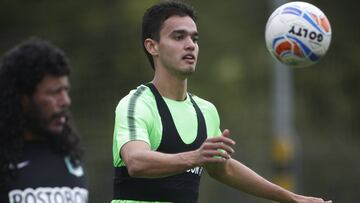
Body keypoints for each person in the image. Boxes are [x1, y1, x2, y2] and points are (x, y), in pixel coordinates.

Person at [111, 1, 332, 203]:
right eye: (179, 37)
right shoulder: (137, 103)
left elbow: (222, 169)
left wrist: (292, 198)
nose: (190, 45)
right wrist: (195, 157)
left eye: (194, 38)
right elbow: (136, 162)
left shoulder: (205, 111)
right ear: (153, 46)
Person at [0, 37, 88, 203]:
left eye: (65, 90)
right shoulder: (5, 164)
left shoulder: (72, 161)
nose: (66, 101)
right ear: (23, 97)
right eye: (54, 92)